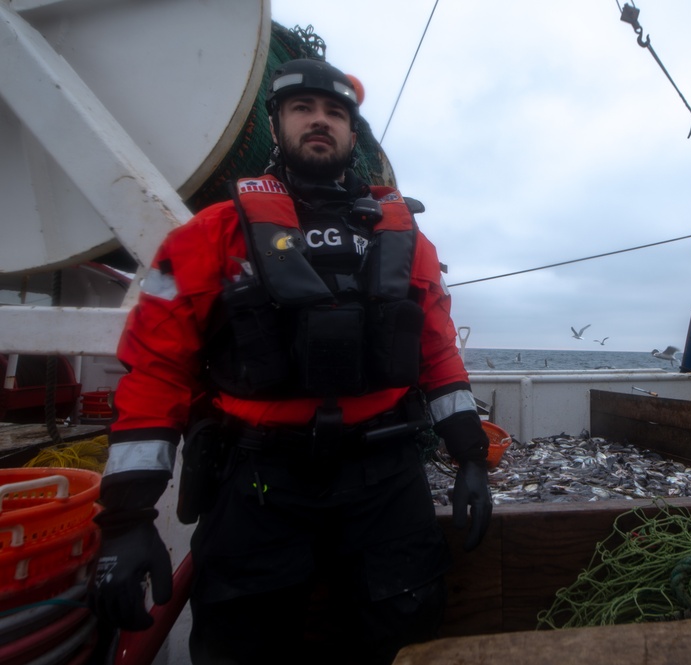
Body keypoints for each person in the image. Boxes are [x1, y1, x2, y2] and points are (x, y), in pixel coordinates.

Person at [90, 58, 492, 664]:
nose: (320, 121)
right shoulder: (209, 235)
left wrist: (470, 457)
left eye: (335, 113)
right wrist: (126, 518)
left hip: (384, 477)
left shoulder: (407, 241)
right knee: (240, 641)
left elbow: (437, 352)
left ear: (353, 135)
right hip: (259, 482)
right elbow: (157, 371)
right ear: (276, 126)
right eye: (303, 109)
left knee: (405, 630)